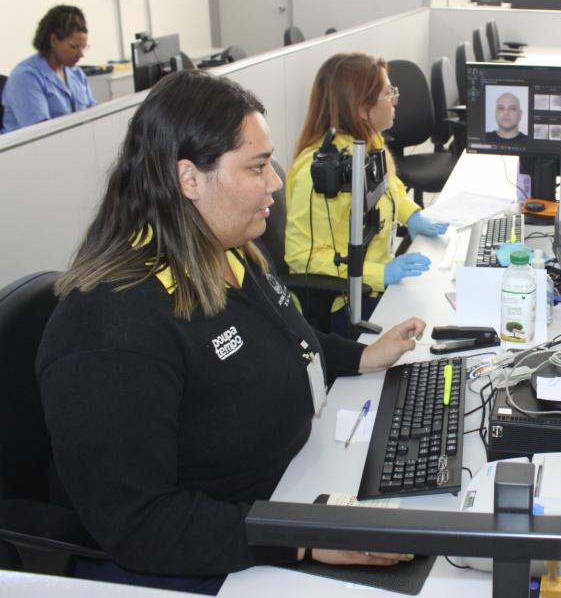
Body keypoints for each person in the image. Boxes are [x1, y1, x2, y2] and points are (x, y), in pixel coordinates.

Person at [36, 71, 424, 594]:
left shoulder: (230, 252)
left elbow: (285, 338)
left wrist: (360, 357)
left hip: (288, 492)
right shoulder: (111, 328)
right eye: (258, 167)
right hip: (213, 558)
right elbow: (142, 525)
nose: (276, 183)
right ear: (189, 179)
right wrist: (301, 538)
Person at [285, 52, 447, 335]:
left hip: (372, 287)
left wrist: (412, 215)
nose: (395, 100)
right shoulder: (321, 173)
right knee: (436, 321)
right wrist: (380, 274)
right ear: (361, 108)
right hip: (345, 304)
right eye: (389, 93)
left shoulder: (367, 142)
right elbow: (302, 257)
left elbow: (391, 186)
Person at [2, 5, 97, 133]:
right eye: (74, 47)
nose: (81, 55)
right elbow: (40, 135)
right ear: (53, 40)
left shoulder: (76, 74)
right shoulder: (26, 78)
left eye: (83, 47)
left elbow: (93, 116)